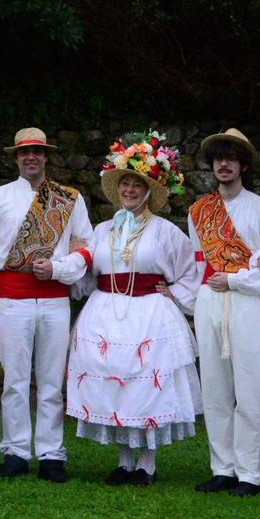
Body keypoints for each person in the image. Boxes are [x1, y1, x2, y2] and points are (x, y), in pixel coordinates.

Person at [54, 130, 200, 486]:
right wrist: (73, 258)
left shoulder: (165, 231)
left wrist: (174, 292)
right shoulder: (101, 231)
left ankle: (146, 463)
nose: (130, 191)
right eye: (125, 185)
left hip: (151, 314)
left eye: (137, 185)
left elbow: (190, 270)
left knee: (147, 386)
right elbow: (86, 275)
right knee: (114, 385)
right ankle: (123, 461)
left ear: (149, 190)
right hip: (105, 314)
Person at [0, 127, 93, 483]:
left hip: (55, 299)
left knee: (52, 380)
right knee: (15, 379)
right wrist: (11, 260)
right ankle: (16, 451)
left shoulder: (69, 198)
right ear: (16, 158)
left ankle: (52, 454)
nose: (31, 157)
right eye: (25, 153)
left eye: (37, 151)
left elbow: (85, 246)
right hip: (12, 299)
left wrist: (59, 268)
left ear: (46, 156)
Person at [188, 127, 260, 497]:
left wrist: (236, 281)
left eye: (230, 158)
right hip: (210, 300)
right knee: (215, 388)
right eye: (217, 158)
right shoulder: (199, 211)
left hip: (245, 302)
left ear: (243, 165)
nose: (223, 164)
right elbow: (197, 267)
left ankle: (250, 472)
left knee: (250, 387)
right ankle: (222, 467)